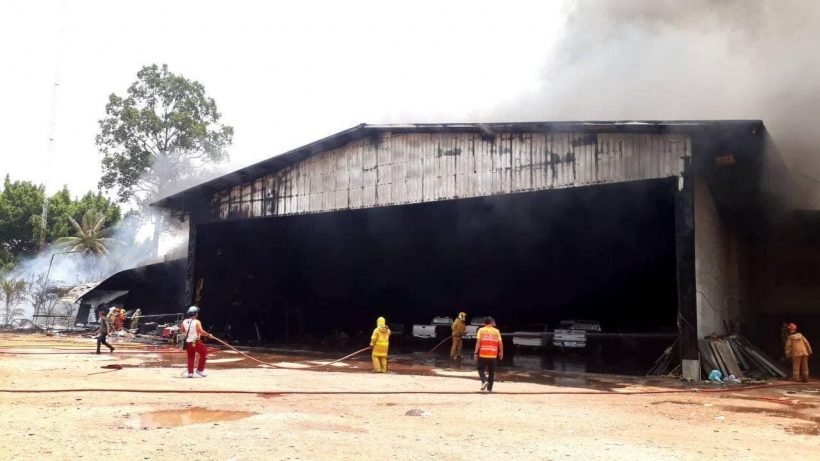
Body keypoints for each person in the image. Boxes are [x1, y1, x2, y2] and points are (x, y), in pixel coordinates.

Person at [180, 305, 212, 378]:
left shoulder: (184, 321)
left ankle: (190, 373)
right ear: (195, 314)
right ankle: (200, 370)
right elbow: (201, 331)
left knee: (191, 357)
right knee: (204, 353)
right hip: (194, 342)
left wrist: (188, 336)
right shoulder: (197, 322)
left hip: (188, 342)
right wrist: (208, 335)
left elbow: (182, 331)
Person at [474, 316, 503, 392]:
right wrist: (501, 352)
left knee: (480, 369)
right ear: (491, 322)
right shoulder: (496, 331)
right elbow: (500, 343)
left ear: (484, 323)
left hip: (483, 354)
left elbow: (478, 342)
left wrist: (476, 352)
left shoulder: (481, 330)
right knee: (491, 371)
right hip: (493, 355)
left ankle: (484, 381)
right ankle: (489, 388)